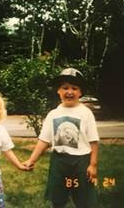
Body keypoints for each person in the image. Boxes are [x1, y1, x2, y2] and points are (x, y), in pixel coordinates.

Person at [24, 68, 99, 208]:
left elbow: (93, 140)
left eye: (74, 88)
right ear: (58, 91)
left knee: (84, 200)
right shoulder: (53, 114)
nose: (69, 92)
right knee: (58, 199)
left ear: (80, 92)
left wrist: (93, 165)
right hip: (59, 161)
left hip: (81, 162)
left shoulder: (86, 113)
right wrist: (31, 160)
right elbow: (44, 140)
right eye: (65, 88)